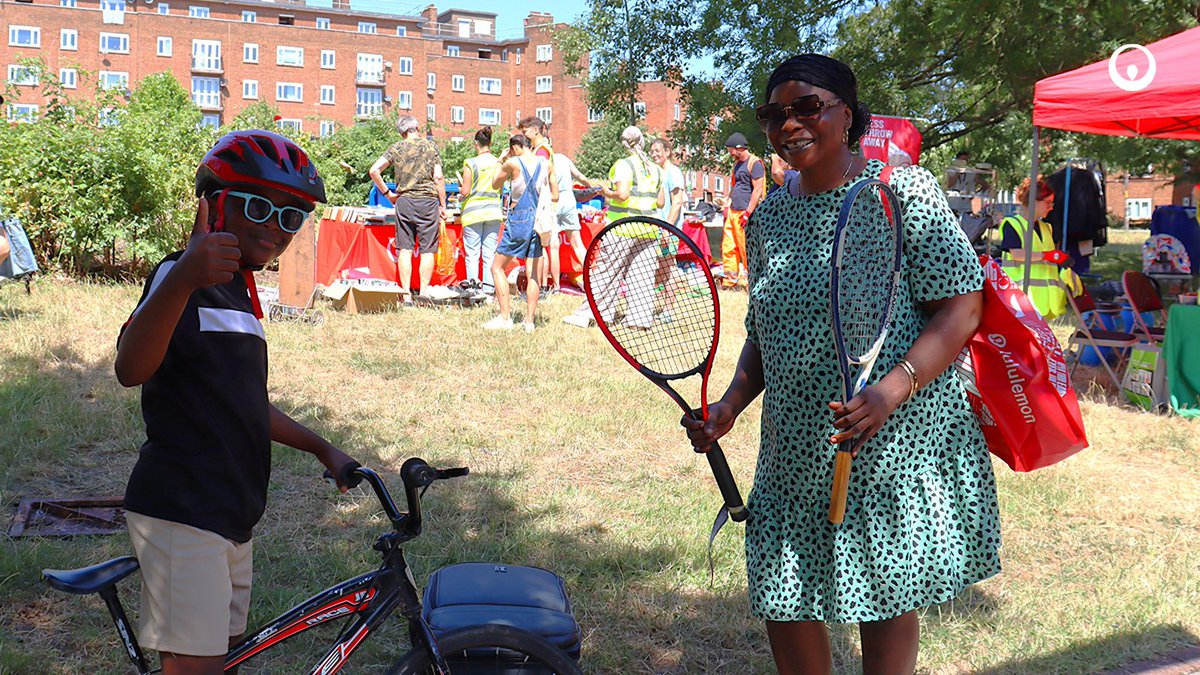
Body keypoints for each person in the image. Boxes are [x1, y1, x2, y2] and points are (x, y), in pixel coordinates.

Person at [683, 54, 1001, 675]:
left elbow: (962, 307)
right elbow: (765, 333)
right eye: (774, 114)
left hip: (889, 438)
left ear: (847, 114)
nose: (789, 124)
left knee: (884, 589)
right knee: (782, 593)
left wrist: (891, 390)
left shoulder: (902, 193)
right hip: (793, 447)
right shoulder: (769, 216)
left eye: (808, 107)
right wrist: (729, 406)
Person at [115, 130, 358, 675]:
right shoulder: (180, 275)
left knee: (223, 657)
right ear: (213, 204)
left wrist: (322, 447)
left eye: (291, 216)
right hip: (182, 508)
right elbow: (131, 369)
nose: (274, 227)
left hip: (230, 512)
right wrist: (184, 278)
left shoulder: (239, 293)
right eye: (257, 207)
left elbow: (244, 401)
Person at [563, 126, 664, 328]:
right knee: (642, 275)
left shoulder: (623, 165)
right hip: (649, 227)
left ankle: (593, 313)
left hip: (622, 227)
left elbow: (623, 195)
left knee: (607, 272)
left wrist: (606, 192)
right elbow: (660, 202)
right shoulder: (656, 169)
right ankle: (639, 319)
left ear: (624, 143)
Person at [369, 115, 448, 300]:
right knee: (427, 250)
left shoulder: (396, 148)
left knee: (405, 248)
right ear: (417, 127)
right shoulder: (431, 147)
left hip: (404, 201)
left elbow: (374, 170)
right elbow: (438, 177)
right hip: (428, 202)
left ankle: (406, 294)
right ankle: (423, 292)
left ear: (401, 132)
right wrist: (443, 204)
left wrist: (388, 194)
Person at [483, 134, 557, 332]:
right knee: (533, 273)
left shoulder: (513, 163)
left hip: (519, 220)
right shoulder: (546, 163)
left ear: (515, 147)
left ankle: (505, 318)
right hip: (539, 221)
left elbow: (495, 183)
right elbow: (555, 195)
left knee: (497, 267)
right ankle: (529, 322)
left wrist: (500, 160)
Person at [999, 177, 1074, 320]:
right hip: (1020, 300)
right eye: (1047, 203)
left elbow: (1048, 257)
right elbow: (1017, 254)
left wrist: (1060, 258)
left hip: (1044, 302)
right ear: (1034, 201)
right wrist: (1048, 255)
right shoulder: (1013, 224)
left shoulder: (1047, 228)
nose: (1051, 207)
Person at [459, 126, 504, 294]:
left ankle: (473, 290)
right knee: (489, 253)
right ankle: (489, 290)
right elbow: (500, 189)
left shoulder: (471, 163)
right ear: (490, 143)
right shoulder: (498, 163)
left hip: (473, 213)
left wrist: (460, 192)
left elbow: (465, 191)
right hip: (493, 212)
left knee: (472, 253)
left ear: (475, 143)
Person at [518, 116, 560, 293]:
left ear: (535, 130)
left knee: (539, 249)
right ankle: (542, 286)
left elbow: (537, 177)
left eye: (525, 131)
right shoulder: (541, 149)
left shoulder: (542, 151)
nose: (523, 135)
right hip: (543, 204)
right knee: (542, 247)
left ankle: (540, 286)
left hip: (540, 206)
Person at [721, 132, 765, 290]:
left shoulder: (755, 163)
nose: (730, 154)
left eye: (731, 150)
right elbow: (734, 187)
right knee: (728, 247)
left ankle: (750, 282)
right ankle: (729, 281)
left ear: (739, 148)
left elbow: (758, 189)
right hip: (733, 211)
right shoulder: (736, 164)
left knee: (746, 248)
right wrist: (727, 204)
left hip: (745, 213)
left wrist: (748, 213)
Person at [550, 151, 593, 292]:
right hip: (569, 201)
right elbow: (580, 176)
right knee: (578, 244)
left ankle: (556, 286)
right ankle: (592, 280)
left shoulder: (543, 159)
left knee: (554, 246)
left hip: (553, 201)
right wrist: (592, 188)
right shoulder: (563, 158)